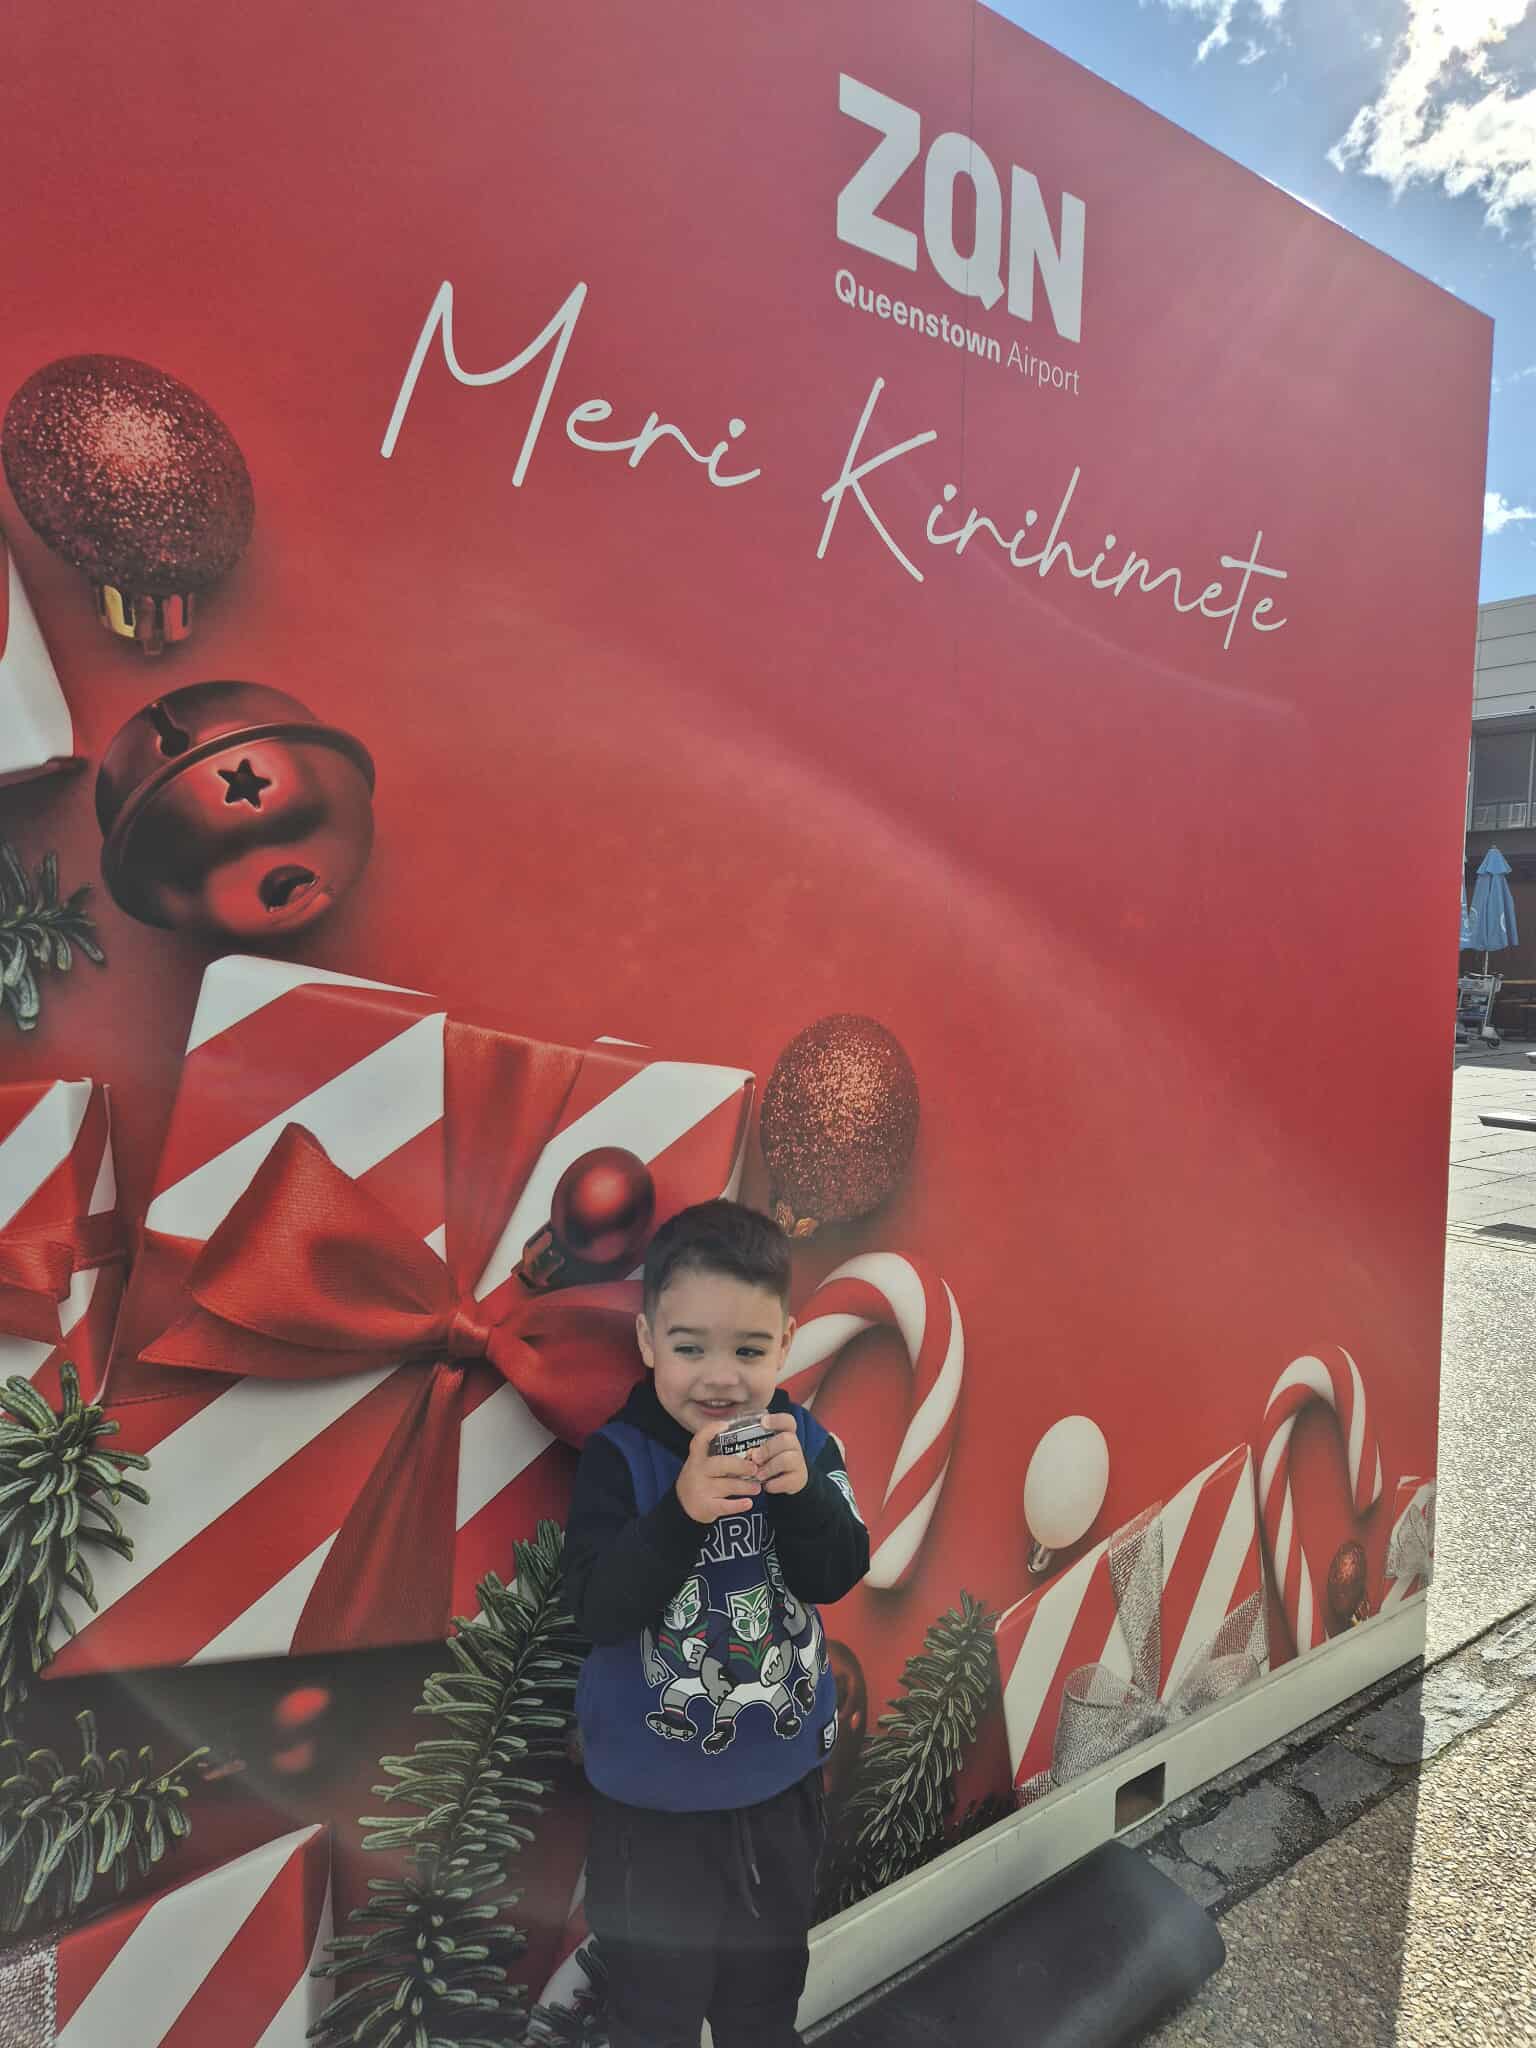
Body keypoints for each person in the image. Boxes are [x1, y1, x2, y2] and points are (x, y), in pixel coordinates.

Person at [563, 1198, 871, 2048]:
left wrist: (803, 1496)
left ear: (787, 1343)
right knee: (652, 2018)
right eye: (691, 1347)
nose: (720, 1378)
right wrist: (682, 1512)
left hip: (780, 1792)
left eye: (749, 1350)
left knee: (763, 2009)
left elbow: (840, 1569)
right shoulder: (619, 1458)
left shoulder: (803, 1441)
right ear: (647, 1340)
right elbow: (595, 1608)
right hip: (652, 1812)